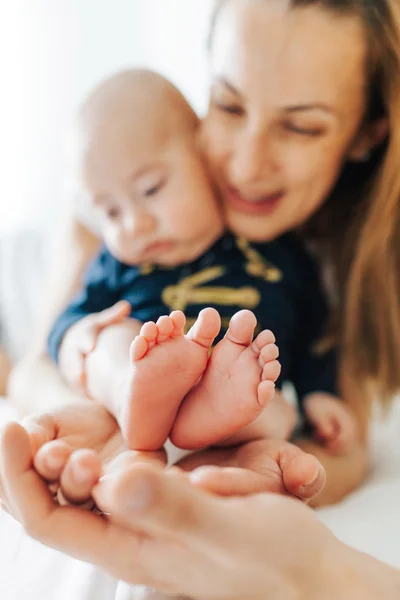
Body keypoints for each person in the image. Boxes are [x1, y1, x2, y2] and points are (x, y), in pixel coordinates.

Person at [46, 68, 352, 460]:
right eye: (110, 211)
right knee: (109, 339)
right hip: (142, 383)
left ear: (203, 156)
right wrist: (75, 337)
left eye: (151, 189)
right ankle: (132, 393)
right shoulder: (117, 262)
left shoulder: (274, 251)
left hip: (239, 401)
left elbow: (316, 330)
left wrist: (319, 393)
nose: (135, 223)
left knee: (273, 405)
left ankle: (211, 414)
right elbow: (71, 317)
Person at [1, 421, 400, 600]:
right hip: (118, 425)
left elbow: (347, 445)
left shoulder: (298, 278)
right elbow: (35, 361)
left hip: (248, 435)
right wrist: (108, 395)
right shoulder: (106, 266)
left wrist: (279, 458)